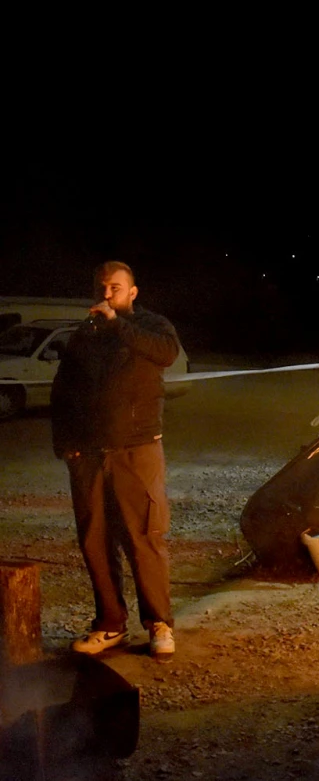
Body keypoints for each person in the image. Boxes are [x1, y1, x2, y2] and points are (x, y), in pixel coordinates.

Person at [51, 261, 179, 658]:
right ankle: (110, 624)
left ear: (133, 292)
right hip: (88, 453)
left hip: (135, 450)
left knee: (143, 537)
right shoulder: (84, 335)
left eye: (116, 288)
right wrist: (65, 442)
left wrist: (118, 324)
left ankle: (158, 623)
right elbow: (64, 389)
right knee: (95, 540)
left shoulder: (152, 327)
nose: (107, 295)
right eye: (102, 288)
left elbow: (166, 355)